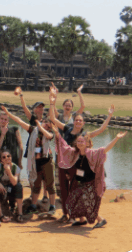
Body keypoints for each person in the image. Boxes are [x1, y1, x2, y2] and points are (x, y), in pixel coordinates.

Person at [49, 92, 114, 221]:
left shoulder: (85, 135)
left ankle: (77, 215)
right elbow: (53, 118)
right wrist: (52, 102)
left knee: (75, 187)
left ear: (83, 123)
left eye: (80, 120)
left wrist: (109, 115)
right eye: (76, 120)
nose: (78, 122)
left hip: (78, 166)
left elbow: (101, 130)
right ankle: (66, 214)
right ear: (74, 121)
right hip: (63, 163)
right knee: (62, 187)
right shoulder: (67, 128)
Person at [53, 128, 128, 228]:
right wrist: (57, 134)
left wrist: (116, 138)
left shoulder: (92, 153)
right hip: (82, 183)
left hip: (92, 183)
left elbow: (105, 149)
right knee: (72, 200)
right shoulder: (74, 153)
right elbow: (63, 147)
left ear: (87, 143)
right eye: (78, 141)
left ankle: (101, 219)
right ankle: (82, 220)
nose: (79, 143)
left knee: (86, 202)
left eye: (82, 141)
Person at [1, 104, 56, 217]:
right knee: (36, 183)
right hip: (35, 162)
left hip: (46, 160)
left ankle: (52, 206)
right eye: (45, 122)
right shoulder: (33, 130)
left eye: (48, 123)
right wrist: (8, 113)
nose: (46, 124)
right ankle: (34, 205)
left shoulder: (50, 132)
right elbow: (20, 121)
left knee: (50, 184)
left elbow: (49, 137)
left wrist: (41, 128)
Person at [0, 149, 24, 222]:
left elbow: (14, 183)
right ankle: (1, 213)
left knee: (19, 186)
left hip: (10, 189)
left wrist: (8, 171)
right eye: (3, 157)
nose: (6, 158)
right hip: (1, 189)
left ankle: (20, 214)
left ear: (11, 157)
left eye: (8, 156)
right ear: (1, 160)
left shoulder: (15, 168)